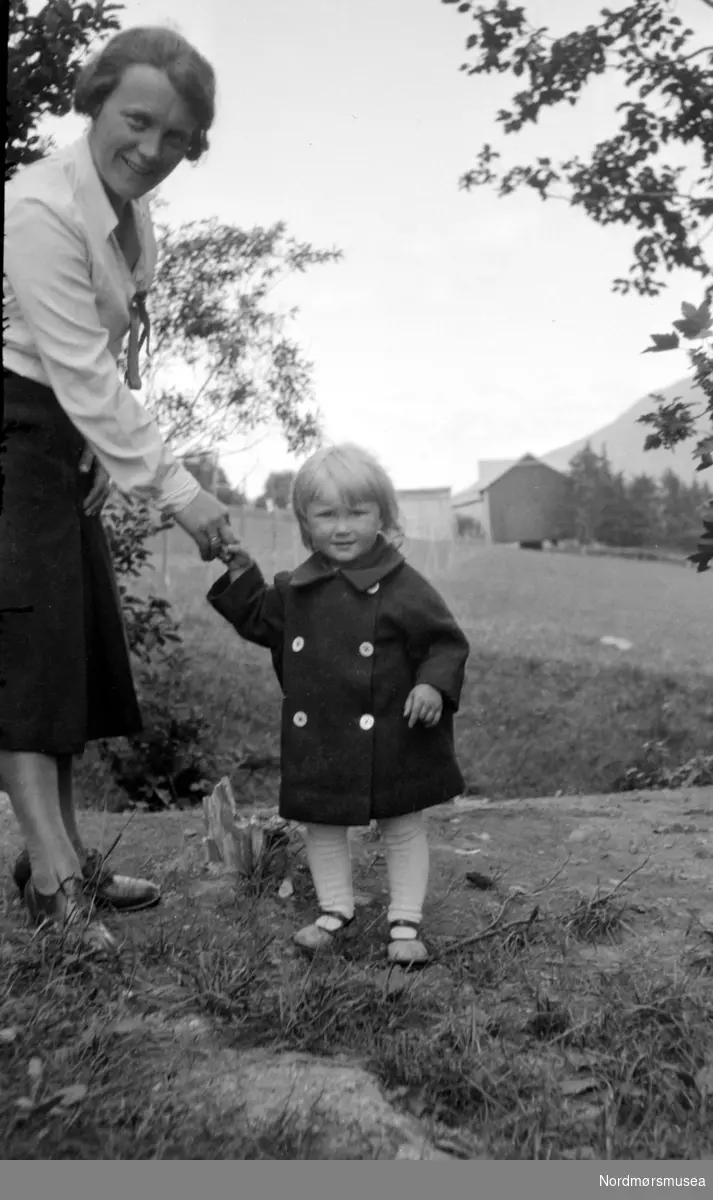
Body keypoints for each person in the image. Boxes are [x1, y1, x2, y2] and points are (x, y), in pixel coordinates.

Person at [1, 27, 238, 952]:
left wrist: (103, 452)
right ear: (96, 102)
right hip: (15, 429)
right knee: (23, 662)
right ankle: (58, 887)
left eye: (176, 138)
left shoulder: (135, 220)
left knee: (60, 656)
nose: (152, 150)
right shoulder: (37, 207)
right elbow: (70, 365)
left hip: (64, 435)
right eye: (137, 121)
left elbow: (103, 363)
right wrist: (176, 489)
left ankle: (51, 855)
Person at [206, 444, 470, 966]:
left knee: (402, 824)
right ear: (306, 522)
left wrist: (432, 687)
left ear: (382, 517)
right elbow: (261, 620)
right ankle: (335, 911)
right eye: (327, 514)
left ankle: (405, 920)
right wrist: (243, 575)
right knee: (322, 823)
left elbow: (445, 642)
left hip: (394, 730)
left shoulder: (403, 586)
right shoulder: (296, 589)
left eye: (357, 512)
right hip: (322, 732)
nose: (343, 527)